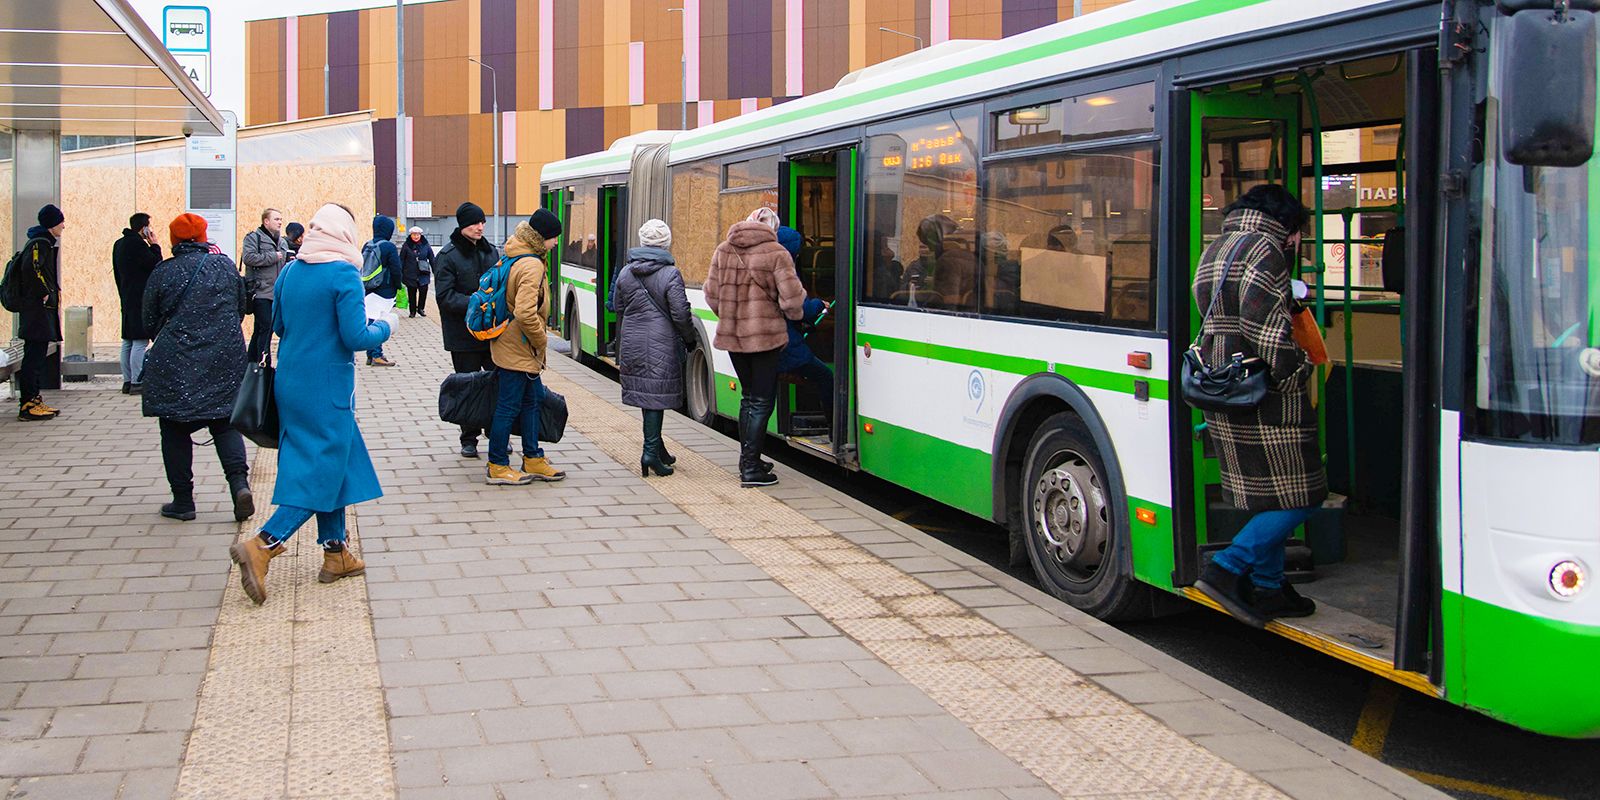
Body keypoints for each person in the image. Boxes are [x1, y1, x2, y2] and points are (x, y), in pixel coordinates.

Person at [228, 203, 397, 605]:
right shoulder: (343, 274)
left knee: (333, 462)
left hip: (291, 382)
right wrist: (386, 325)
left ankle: (336, 554)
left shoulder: (290, 271)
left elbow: (280, 326)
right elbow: (356, 336)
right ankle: (263, 544)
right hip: (329, 387)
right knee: (323, 468)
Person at [1190, 184, 1325, 628]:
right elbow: (1263, 327)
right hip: (1267, 392)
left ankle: (1268, 585)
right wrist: (1300, 370)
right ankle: (1227, 567)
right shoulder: (1265, 249)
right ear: (1288, 225)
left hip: (1225, 381)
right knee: (1303, 494)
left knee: (1268, 496)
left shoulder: (1218, 247)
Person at [140, 213, 253, 523]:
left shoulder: (164, 272)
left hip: (176, 363)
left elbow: (148, 320)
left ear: (174, 241)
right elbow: (242, 308)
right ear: (204, 237)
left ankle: (183, 501)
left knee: (174, 428)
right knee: (224, 423)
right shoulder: (226, 267)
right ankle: (239, 486)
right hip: (224, 359)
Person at [704, 207, 806, 487]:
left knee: (748, 397)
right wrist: (794, 315)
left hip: (733, 338)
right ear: (773, 227)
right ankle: (750, 468)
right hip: (765, 338)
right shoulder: (777, 253)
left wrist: (730, 317)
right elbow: (791, 300)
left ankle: (748, 458)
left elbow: (711, 295)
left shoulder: (724, 249)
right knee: (762, 400)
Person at [485, 210, 566, 486]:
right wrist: (541, 341)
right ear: (543, 237)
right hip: (518, 348)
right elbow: (525, 312)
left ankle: (533, 457)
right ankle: (497, 464)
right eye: (554, 237)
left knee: (532, 402)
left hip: (513, 345)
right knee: (508, 407)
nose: (556, 243)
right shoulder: (532, 265)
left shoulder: (513, 252)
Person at [610, 219, 696, 477]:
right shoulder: (670, 274)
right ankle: (649, 453)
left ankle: (658, 450)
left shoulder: (626, 272)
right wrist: (690, 339)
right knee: (655, 397)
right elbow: (680, 313)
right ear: (666, 243)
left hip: (633, 340)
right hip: (661, 341)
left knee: (648, 395)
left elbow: (618, 305)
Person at [434, 202, 500, 458]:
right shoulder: (448, 256)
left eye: (482, 222)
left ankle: (496, 433)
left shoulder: (491, 253)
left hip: (492, 334)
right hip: (462, 336)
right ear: (462, 225)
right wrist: (477, 302)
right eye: (475, 222)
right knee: (468, 386)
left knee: (496, 384)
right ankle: (468, 438)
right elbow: (445, 297)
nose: (480, 227)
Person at [775, 227, 833, 433]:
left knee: (755, 400)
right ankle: (834, 429)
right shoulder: (784, 272)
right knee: (826, 377)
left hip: (770, 344)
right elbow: (800, 308)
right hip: (786, 343)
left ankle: (749, 455)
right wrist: (820, 305)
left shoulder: (764, 267)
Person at [13, 205, 65, 422]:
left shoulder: (42, 242)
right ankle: (28, 403)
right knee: (33, 357)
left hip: (38, 313)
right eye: (61, 221)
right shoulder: (39, 243)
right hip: (36, 314)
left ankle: (34, 399)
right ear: (52, 223)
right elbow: (32, 269)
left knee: (36, 356)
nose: (63, 225)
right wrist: (45, 293)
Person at [112, 212, 162, 395]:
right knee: (140, 341)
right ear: (144, 228)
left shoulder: (119, 244)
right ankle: (137, 381)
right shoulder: (138, 245)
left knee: (128, 341)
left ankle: (127, 381)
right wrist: (155, 245)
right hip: (140, 298)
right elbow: (156, 264)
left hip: (126, 296)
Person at [241, 208, 290, 364]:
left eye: (281, 219)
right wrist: (273, 256)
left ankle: (251, 366)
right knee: (266, 328)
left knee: (260, 329)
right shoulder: (253, 238)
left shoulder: (282, 241)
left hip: (275, 293)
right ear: (266, 221)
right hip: (260, 292)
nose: (280, 222)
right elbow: (249, 258)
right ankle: (264, 364)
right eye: (276, 219)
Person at [362, 215, 403, 367]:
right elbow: (396, 269)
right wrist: (398, 285)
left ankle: (370, 353)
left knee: (370, 319)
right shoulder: (388, 246)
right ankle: (377, 355)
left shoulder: (367, 244)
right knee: (379, 321)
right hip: (384, 289)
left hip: (368, 288)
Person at [401, 228, 434, 318]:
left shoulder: (425, 245)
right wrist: (400, 273)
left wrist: (436, 270)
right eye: (414, 234)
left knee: (423, 291)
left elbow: (431, 258)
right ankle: (412, 311)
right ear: (410, 235)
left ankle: (420, 308)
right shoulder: (406, 245)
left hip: (423, 273)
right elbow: (401, 260)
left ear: (421, 235)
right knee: (412, 293)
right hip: (410, 273)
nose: (416, 236)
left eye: (418, 234)